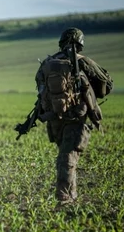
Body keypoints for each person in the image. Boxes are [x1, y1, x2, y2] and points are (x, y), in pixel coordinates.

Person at [34, 27, 113, 204]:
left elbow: (39, 86)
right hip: (76, 115)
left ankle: (71, 195)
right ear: (80, 44)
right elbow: (106, 85)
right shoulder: (83, 62)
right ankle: (64, 196)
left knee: (66, 154)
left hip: (54, 115)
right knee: (68, 155)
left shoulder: (48, 63)